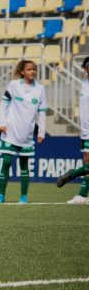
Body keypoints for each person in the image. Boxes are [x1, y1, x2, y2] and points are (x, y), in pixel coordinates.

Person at [0, 59, 47, 204]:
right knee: (6, 162)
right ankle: (1, 195)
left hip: (27, 135)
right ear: (22, 72)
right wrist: (3, 123)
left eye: (34, 69)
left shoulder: (40, 89)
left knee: (24, 165)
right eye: (29, 69)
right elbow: (3, 104)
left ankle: (23, 196)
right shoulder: (13, 85)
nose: (32, 71)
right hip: (10, 132)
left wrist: (41, 132)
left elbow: (42, 112)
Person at [57, 56, 89, 203]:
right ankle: (83, 195)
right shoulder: (84, 84)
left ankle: (73, 174)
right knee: (87, 160)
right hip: (86, 129)